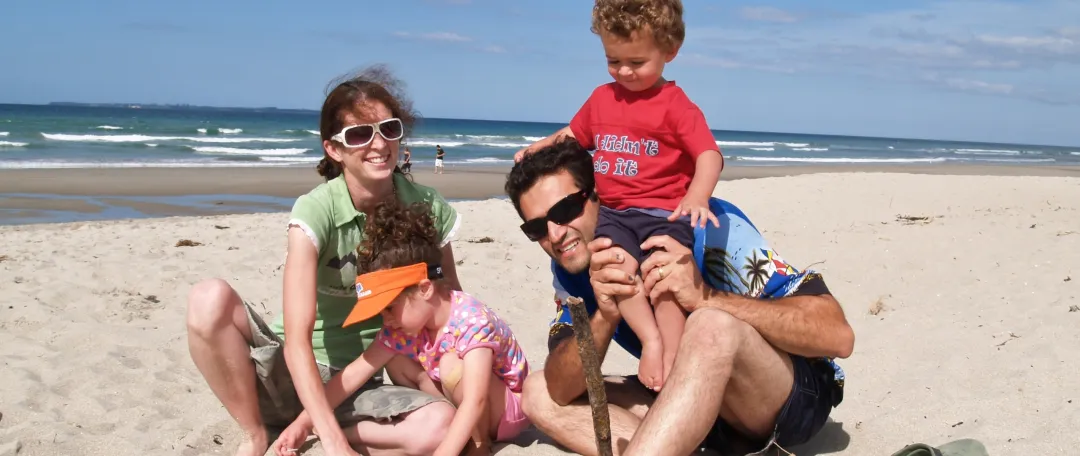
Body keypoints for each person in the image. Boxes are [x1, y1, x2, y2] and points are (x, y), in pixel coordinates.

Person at [505, 139, 854, 456]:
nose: (555, 234)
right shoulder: (571, 270)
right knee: (538, 392)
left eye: (564, 211)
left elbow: (837, 336)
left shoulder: (709, 227)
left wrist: (706, 297)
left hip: (789, 398)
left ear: (600, 193)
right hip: (699, 404)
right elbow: (562, 387)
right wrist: (605, 317)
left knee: (709, 324)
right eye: (536, 228)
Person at [185, 65, 462, 456]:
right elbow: (296, 339)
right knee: (207, 298)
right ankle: (256, 434)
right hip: (290, 372)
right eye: (361, 134)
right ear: (334, 149)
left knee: (438, 428)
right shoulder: (316, 212)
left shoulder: (427, 206)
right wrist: (332, 443)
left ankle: (317, 426)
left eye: (390, 129)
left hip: (361, 381)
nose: (379, 144)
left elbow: (453, 307)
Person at [514, 0, 724, 391]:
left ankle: (675, 354)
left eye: (636, 62)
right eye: (614, 61)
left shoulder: (676, 106)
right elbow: (573, 136)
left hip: (663, 213)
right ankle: (651, 340)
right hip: (615, 212)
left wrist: (697, 196)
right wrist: (538, 147)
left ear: (670, 52)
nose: (624, 71)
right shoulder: (602, 99)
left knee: (663, 282)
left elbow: (709, 154)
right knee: (616, 270)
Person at [276, 200, 531, 456]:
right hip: (457, 398)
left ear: (424, 289)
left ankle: (478, 444)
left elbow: (476, 399)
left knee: (450, 365)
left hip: (504, 412)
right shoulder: (402, 328)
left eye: (389, 307)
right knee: (395, 358)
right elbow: (354, 374)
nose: (386, 319)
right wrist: (304, 422)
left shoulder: (471, 321)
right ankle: (432, 430)